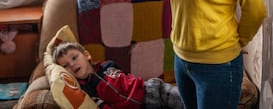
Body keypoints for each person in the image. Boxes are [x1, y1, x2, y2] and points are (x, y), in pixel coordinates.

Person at [53, 41, 184, 109]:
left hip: (150, 91)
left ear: (86, 55)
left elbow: (127, 80)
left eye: (74, 57)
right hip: (143, 107)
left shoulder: (107, 66)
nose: (72, 65)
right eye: (65, 65)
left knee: (189, 102)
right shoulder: (86, 91)